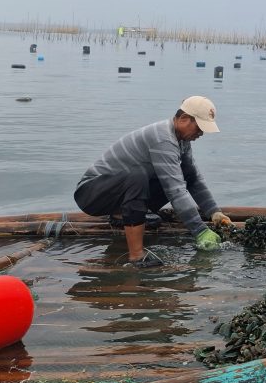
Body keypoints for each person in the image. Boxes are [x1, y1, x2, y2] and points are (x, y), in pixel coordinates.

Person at [74, 96, 229, 268]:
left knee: (188, 172)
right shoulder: (163, 138)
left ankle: (120, 215)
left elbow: (193, 178)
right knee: (137, 175)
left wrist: (214, 211)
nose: (201, 133)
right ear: (184, 119)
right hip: (91, 193)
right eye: (199, 127)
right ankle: (136, 256)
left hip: (119, 192)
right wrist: (199, 231)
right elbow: (175, 190)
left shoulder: (181, 140)